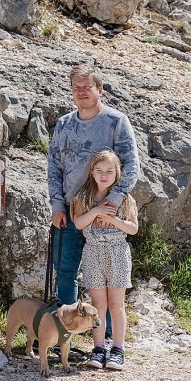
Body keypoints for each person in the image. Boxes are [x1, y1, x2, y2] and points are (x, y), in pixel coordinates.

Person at [47, 64, 140, 344]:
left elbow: (131, 165)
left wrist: (112, 201)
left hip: (105, 214)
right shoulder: (64, 124)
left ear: (100, 90)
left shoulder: (116, 121)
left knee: (110, 278)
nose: (81, 92)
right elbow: (54, 167)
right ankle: (64, 331)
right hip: (72, 212)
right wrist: (57, 205)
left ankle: (108, 336)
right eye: (76, 88)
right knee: (65, 269)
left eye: (87, 87)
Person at [70, 149, 139, 369]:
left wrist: (113, 219)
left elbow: (133, 228)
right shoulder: (83, 197)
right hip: (93, 253)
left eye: (109, 171)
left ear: (117, 173)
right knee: (98, 304)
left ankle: (118, 349)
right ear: (92, 172)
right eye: (99, 170)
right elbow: (79, 223)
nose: (104, 175)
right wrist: (97, 210)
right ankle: (98, 349)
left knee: (116, 305)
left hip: (118, 253)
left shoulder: (125, 198)